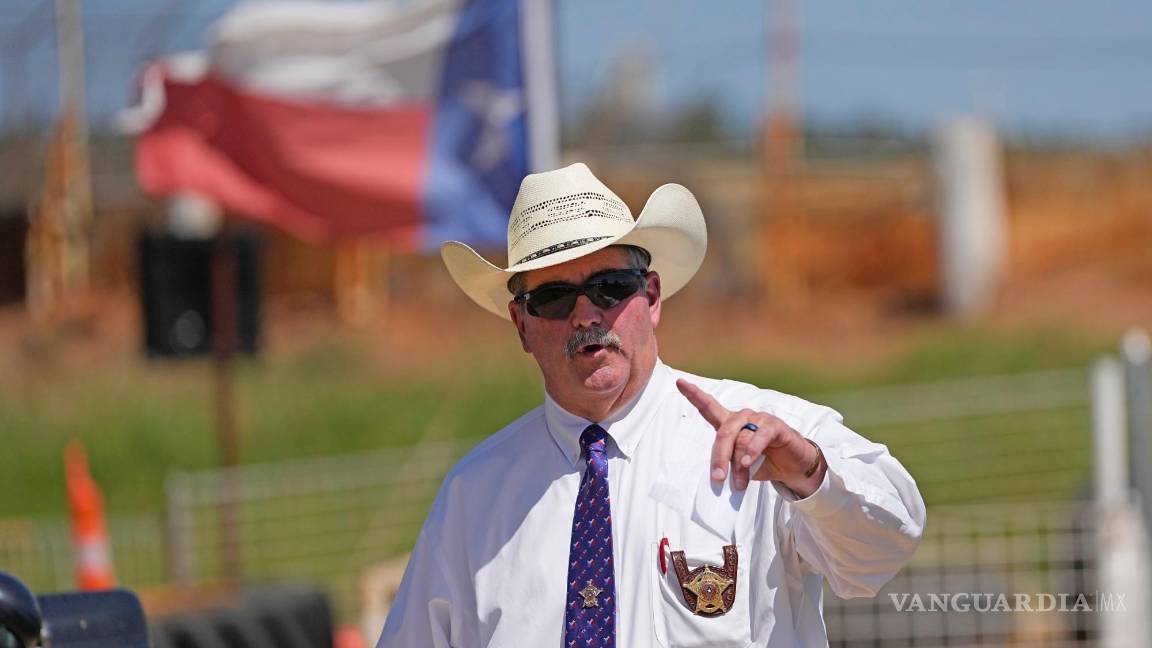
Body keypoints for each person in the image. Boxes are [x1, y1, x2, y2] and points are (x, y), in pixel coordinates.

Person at [376, 163, 925, 647]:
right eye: (553, 297)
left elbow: (884, 548)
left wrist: (810, 475)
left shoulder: (762, 437)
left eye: (611, 287)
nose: (586, 315)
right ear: (521, 324)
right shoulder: (475, 496)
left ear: (652, 296)